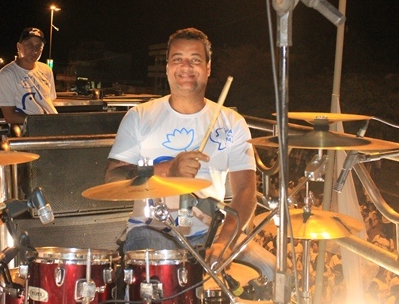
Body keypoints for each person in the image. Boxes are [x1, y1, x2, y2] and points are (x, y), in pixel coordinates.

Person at [104, 27, 275, 282]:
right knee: (167, 281)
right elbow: (113, 177)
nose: (186, 67)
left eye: (195, 59)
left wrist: (224, 242)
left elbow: (245, 190)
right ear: (167, 68)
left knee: (274, 273)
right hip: (152, 230)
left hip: (212, 232)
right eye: (178, 59)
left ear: (208, 67)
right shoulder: (139, 116)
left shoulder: (232, 122)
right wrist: (168, 170)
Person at [0, 27, 57, 123]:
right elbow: (10, 116)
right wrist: (42, 122)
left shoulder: (46, 70)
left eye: (38, 46)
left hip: (53, 125)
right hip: (31, 129)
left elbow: (49, 102)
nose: (34, 51)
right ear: (18, 46)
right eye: (29, 45)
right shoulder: (6, 75)